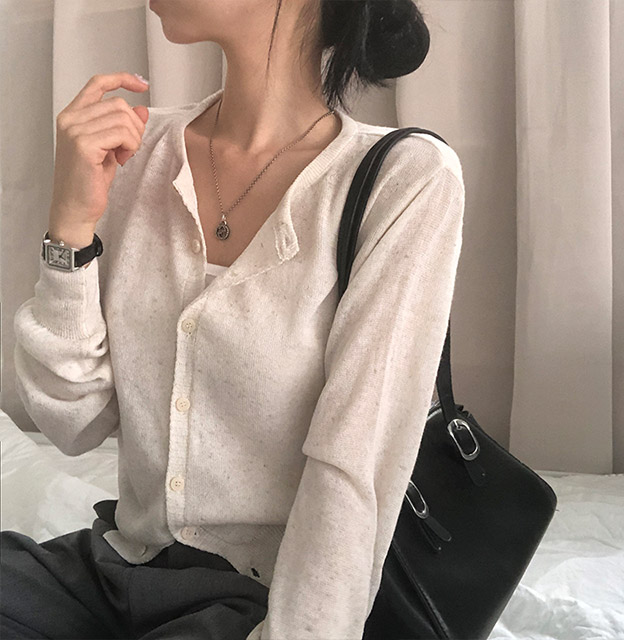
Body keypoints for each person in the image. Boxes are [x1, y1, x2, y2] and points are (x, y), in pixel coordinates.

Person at [2, 1, 465, 639]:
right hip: (118, 567)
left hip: (257, 600)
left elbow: (355, 466)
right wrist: (70, 227)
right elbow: (73, 421)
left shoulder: (402, 179)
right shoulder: (138, 151)